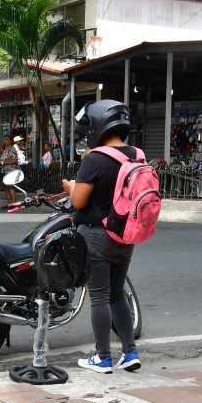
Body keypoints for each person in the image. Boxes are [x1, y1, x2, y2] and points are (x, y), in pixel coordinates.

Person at [61, 99, 141, 375]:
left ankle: (103, 357)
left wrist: (71, 186)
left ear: (96, 125)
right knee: (117, 295)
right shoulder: (136, 155)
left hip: (96, 235)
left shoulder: (95, 158)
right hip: (125, 235)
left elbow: (80, 201)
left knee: (99, 297)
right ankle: (130, 352)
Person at [0, 135, 20, 205]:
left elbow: (16, 160)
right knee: (6, 187)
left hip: (11, 170)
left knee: (11, 187)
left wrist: (4, 162)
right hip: (4, 170)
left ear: (11, 141)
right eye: (4, 139)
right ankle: (9, 203)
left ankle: (14, 203)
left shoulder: (12, 149)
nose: (5, 140)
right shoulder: (5, 149)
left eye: (7, 139)